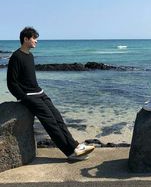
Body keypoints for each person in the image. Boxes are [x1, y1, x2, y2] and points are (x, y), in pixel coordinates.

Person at [7, 27, 95, 160]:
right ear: (26, 39)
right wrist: (23, 98)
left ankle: (75, 146)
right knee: (50, 122)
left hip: (40, 92)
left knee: (58, 118)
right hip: (30, 96)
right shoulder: (16, 57)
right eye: (34, 38)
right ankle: (70, 153)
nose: (36, 41)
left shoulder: (30, 56)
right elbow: (11, 82)